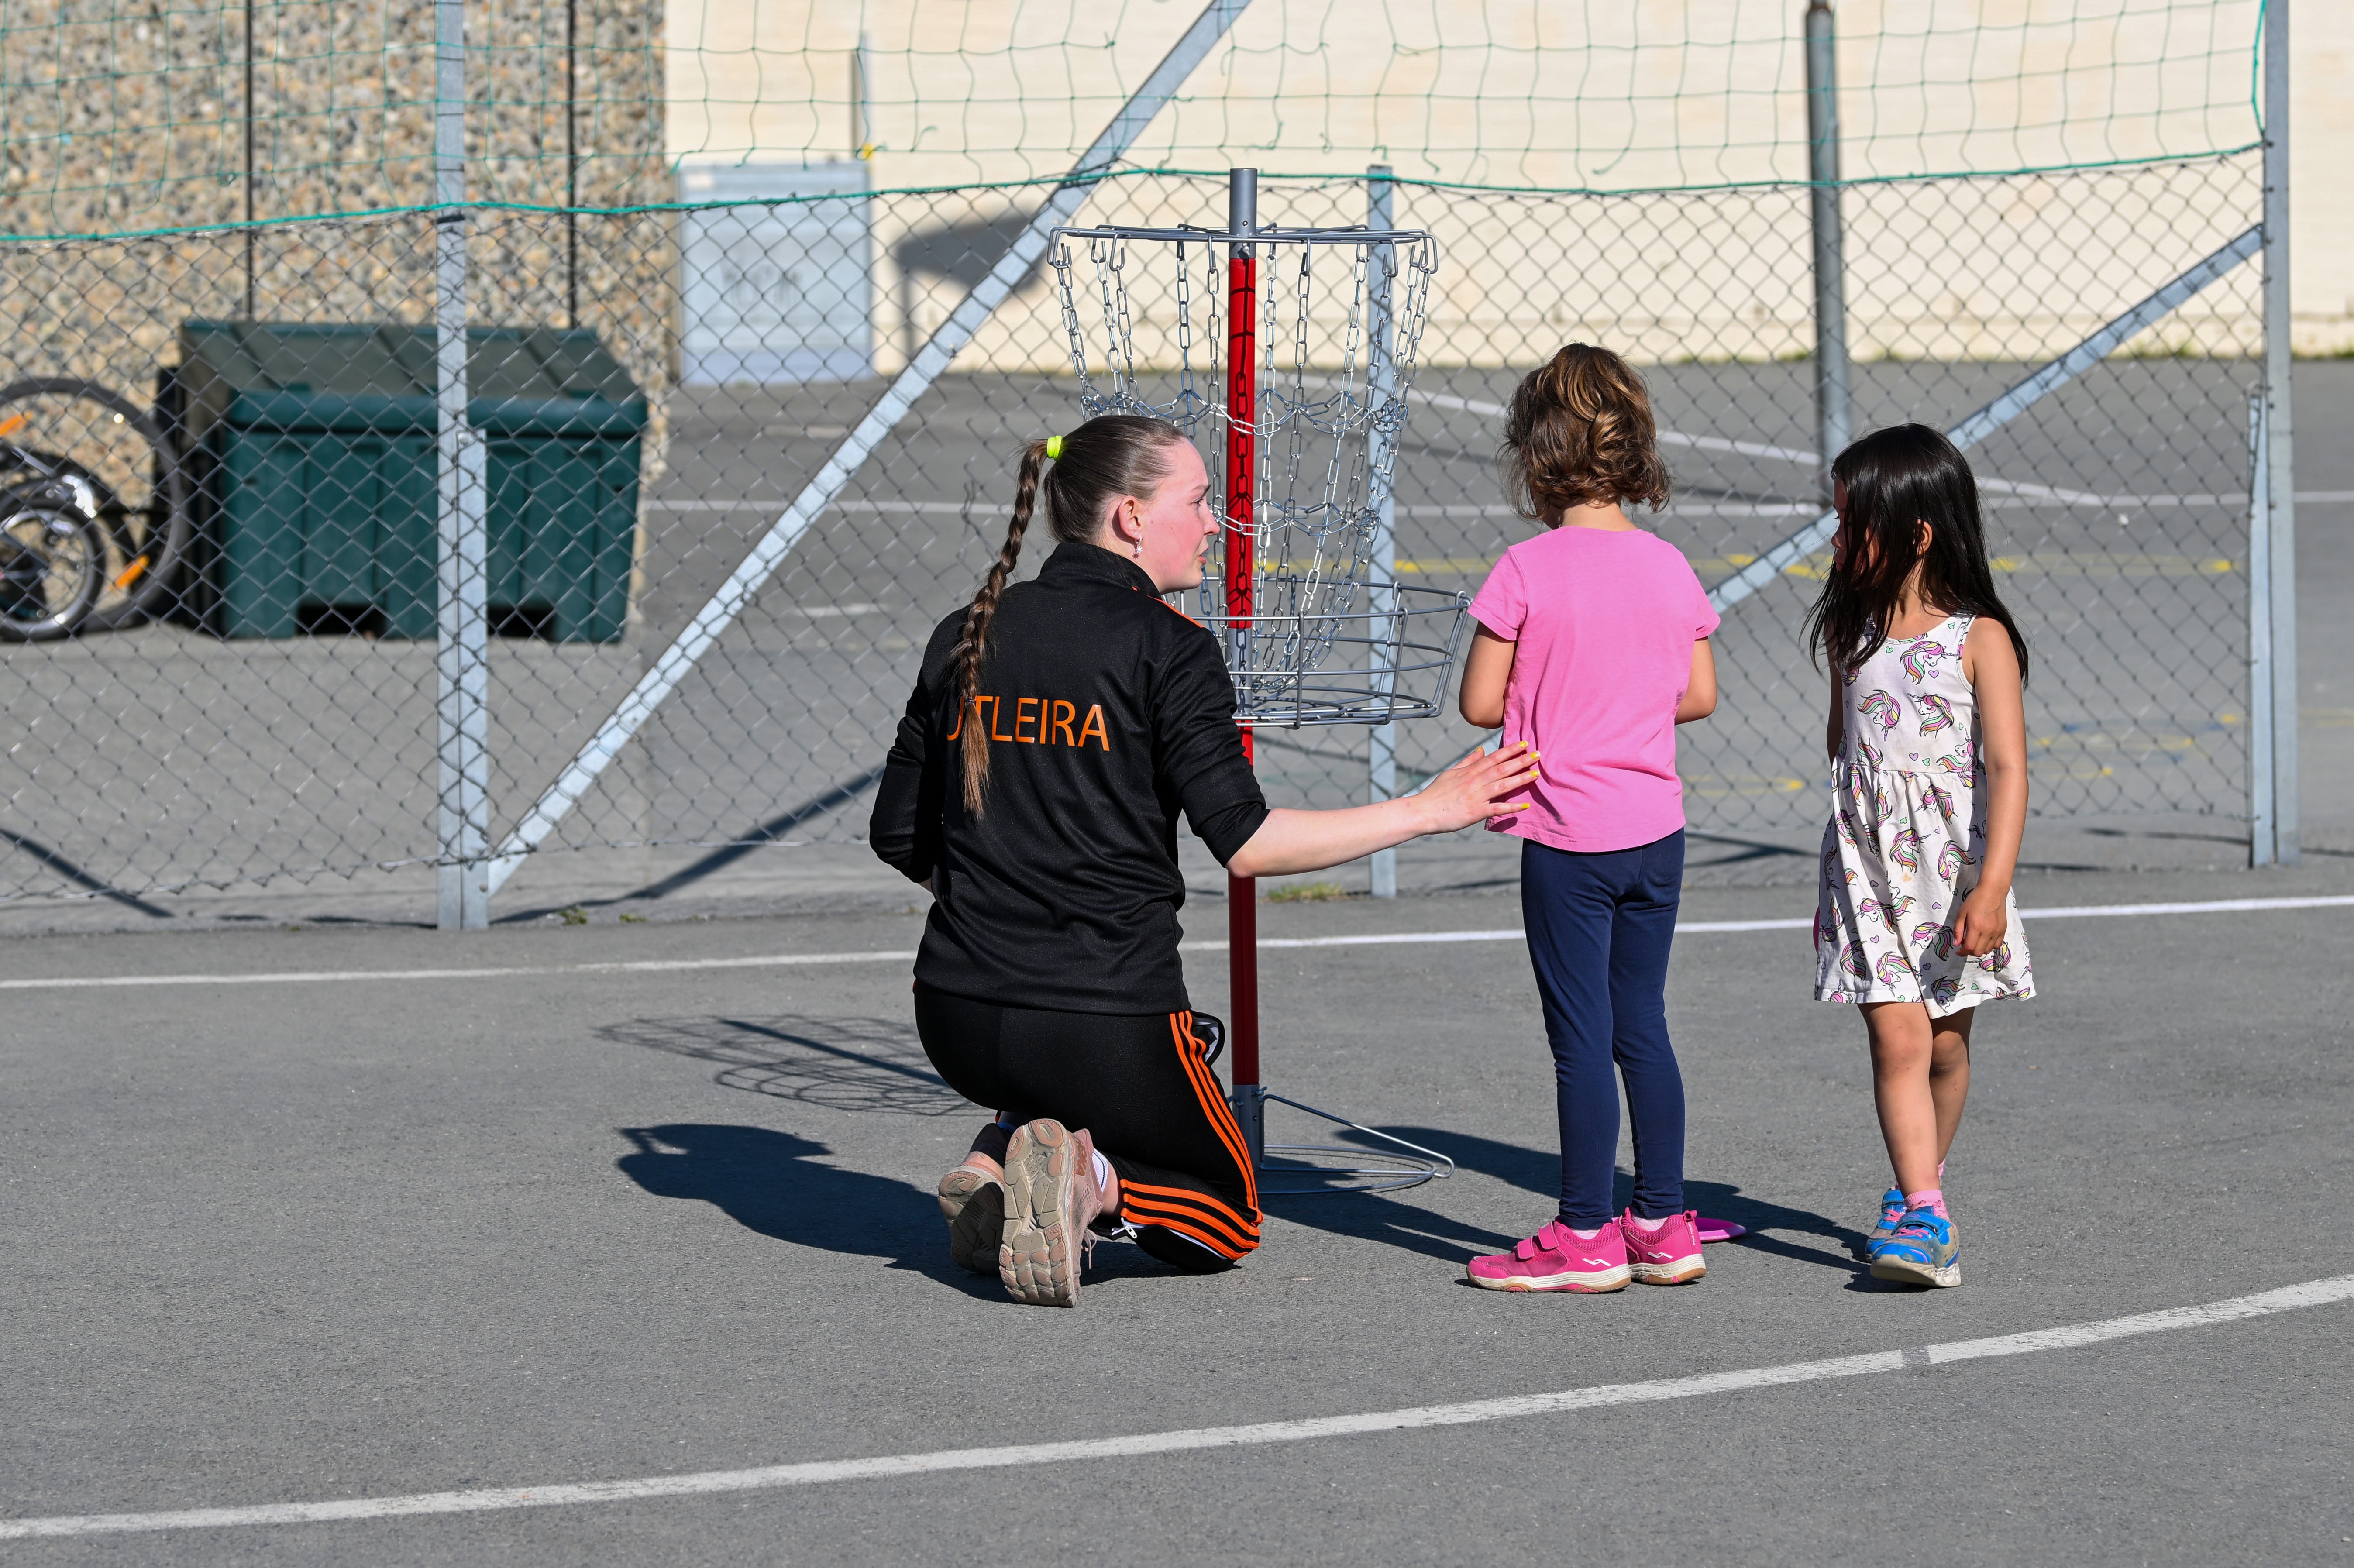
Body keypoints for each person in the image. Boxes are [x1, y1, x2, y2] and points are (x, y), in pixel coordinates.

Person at [869, 413, 1535, 1307]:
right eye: (1197, 501)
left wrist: (1000, 895)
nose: (1216, 522)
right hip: (1101, 1017)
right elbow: (1248, 843)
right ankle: (1088, 1178)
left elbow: (897, 835)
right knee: (1227, 1212)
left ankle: (997, 1155)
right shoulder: (1167, 646)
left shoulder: (967, 628)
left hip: (953, 1016)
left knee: (1073, 1065)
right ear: (1132, 517)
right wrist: (1428, 810)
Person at [1455, 344, 1721, 1294]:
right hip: (1657, 832)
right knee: (1642, 1024)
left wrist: (1558, 700)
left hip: (1570, 841)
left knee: (1579, 1038)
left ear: (1536, 456)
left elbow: (1479, 703)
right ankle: (1662, 1220)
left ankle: (1582, 1231)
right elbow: (1698, 695)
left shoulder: (1524, 569)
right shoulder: (1668, 565)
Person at [1808, 423, 2034, 1289]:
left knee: (1942, 1048)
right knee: (1897, 1038)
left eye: (1851, 522)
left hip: (1951, 875)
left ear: (1918, 532)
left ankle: (1913, 1188)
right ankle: (1928, 1217)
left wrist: (1992, 887)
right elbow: (1843, 747)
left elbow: (2007, 769)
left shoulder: (1980, 639)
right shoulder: (1850, 628)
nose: (1836, 539)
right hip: (1867, 869)